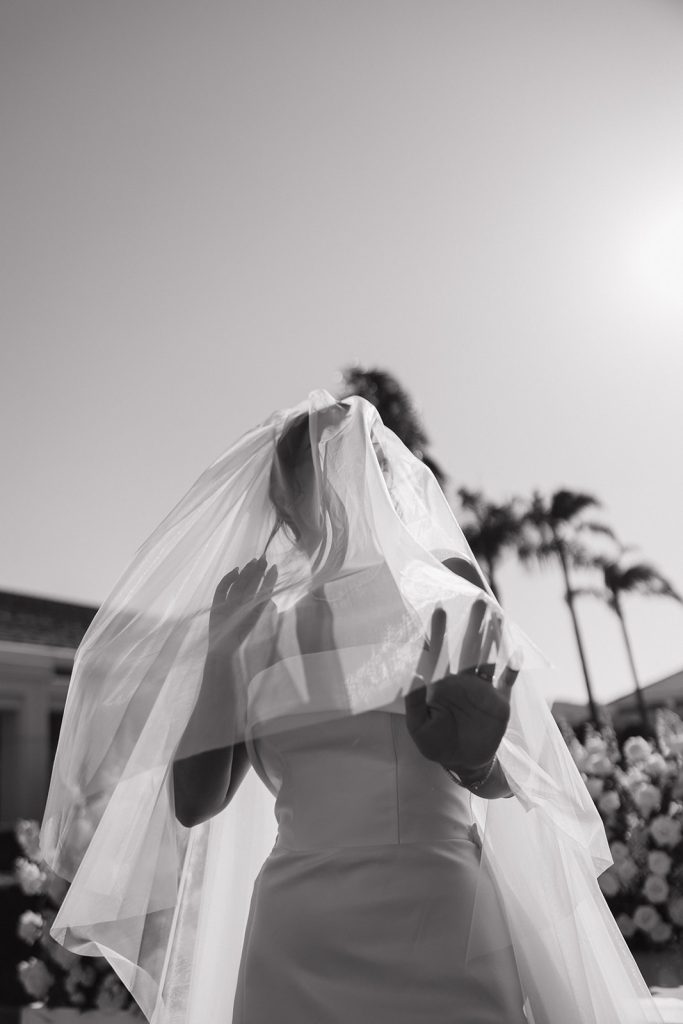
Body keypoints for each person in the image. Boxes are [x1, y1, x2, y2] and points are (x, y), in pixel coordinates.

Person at [40, 390, 663, 1024]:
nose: (327, 499)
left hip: (437, 910)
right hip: (296, 931)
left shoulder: (442, 585)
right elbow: (193, 801)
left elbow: (515, 775)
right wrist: (221, 652)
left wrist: (477, 765)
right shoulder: (256, 619)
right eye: (305, 486)